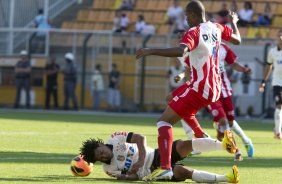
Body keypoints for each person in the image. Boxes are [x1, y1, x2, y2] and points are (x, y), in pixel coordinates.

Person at [135, 0, 241, 180]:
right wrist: (234, 23)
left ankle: (166, 168)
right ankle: (204, 135)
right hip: (214, 87)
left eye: (186, 15)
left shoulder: (194, 32)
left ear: (193, 14)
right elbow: (237, 40)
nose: (186, 19)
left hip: (200, 87)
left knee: (163, 122)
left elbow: (180, 51)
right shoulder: (217, 27)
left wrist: (150, 50)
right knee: (173, 100)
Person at [80, 130, 239, 183]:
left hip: (155, 154)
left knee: (183, 144)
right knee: (182, 172)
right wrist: (129, 177)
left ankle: (224, 145)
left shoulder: (115, 138)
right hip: (151, 172)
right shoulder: (108, 169)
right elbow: (134, 177)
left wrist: (141, 159)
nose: (103, 156)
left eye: (100, 152)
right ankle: (227, 178)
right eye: (99, 158)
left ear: (100, 145)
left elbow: (140, 138)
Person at [259, 29, 282, 140]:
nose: (280, 37)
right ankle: (278, 131)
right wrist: (263, 82)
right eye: (279, 35)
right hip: (277, 82)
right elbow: (268, 67)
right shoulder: (273, 52)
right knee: (279, 106)